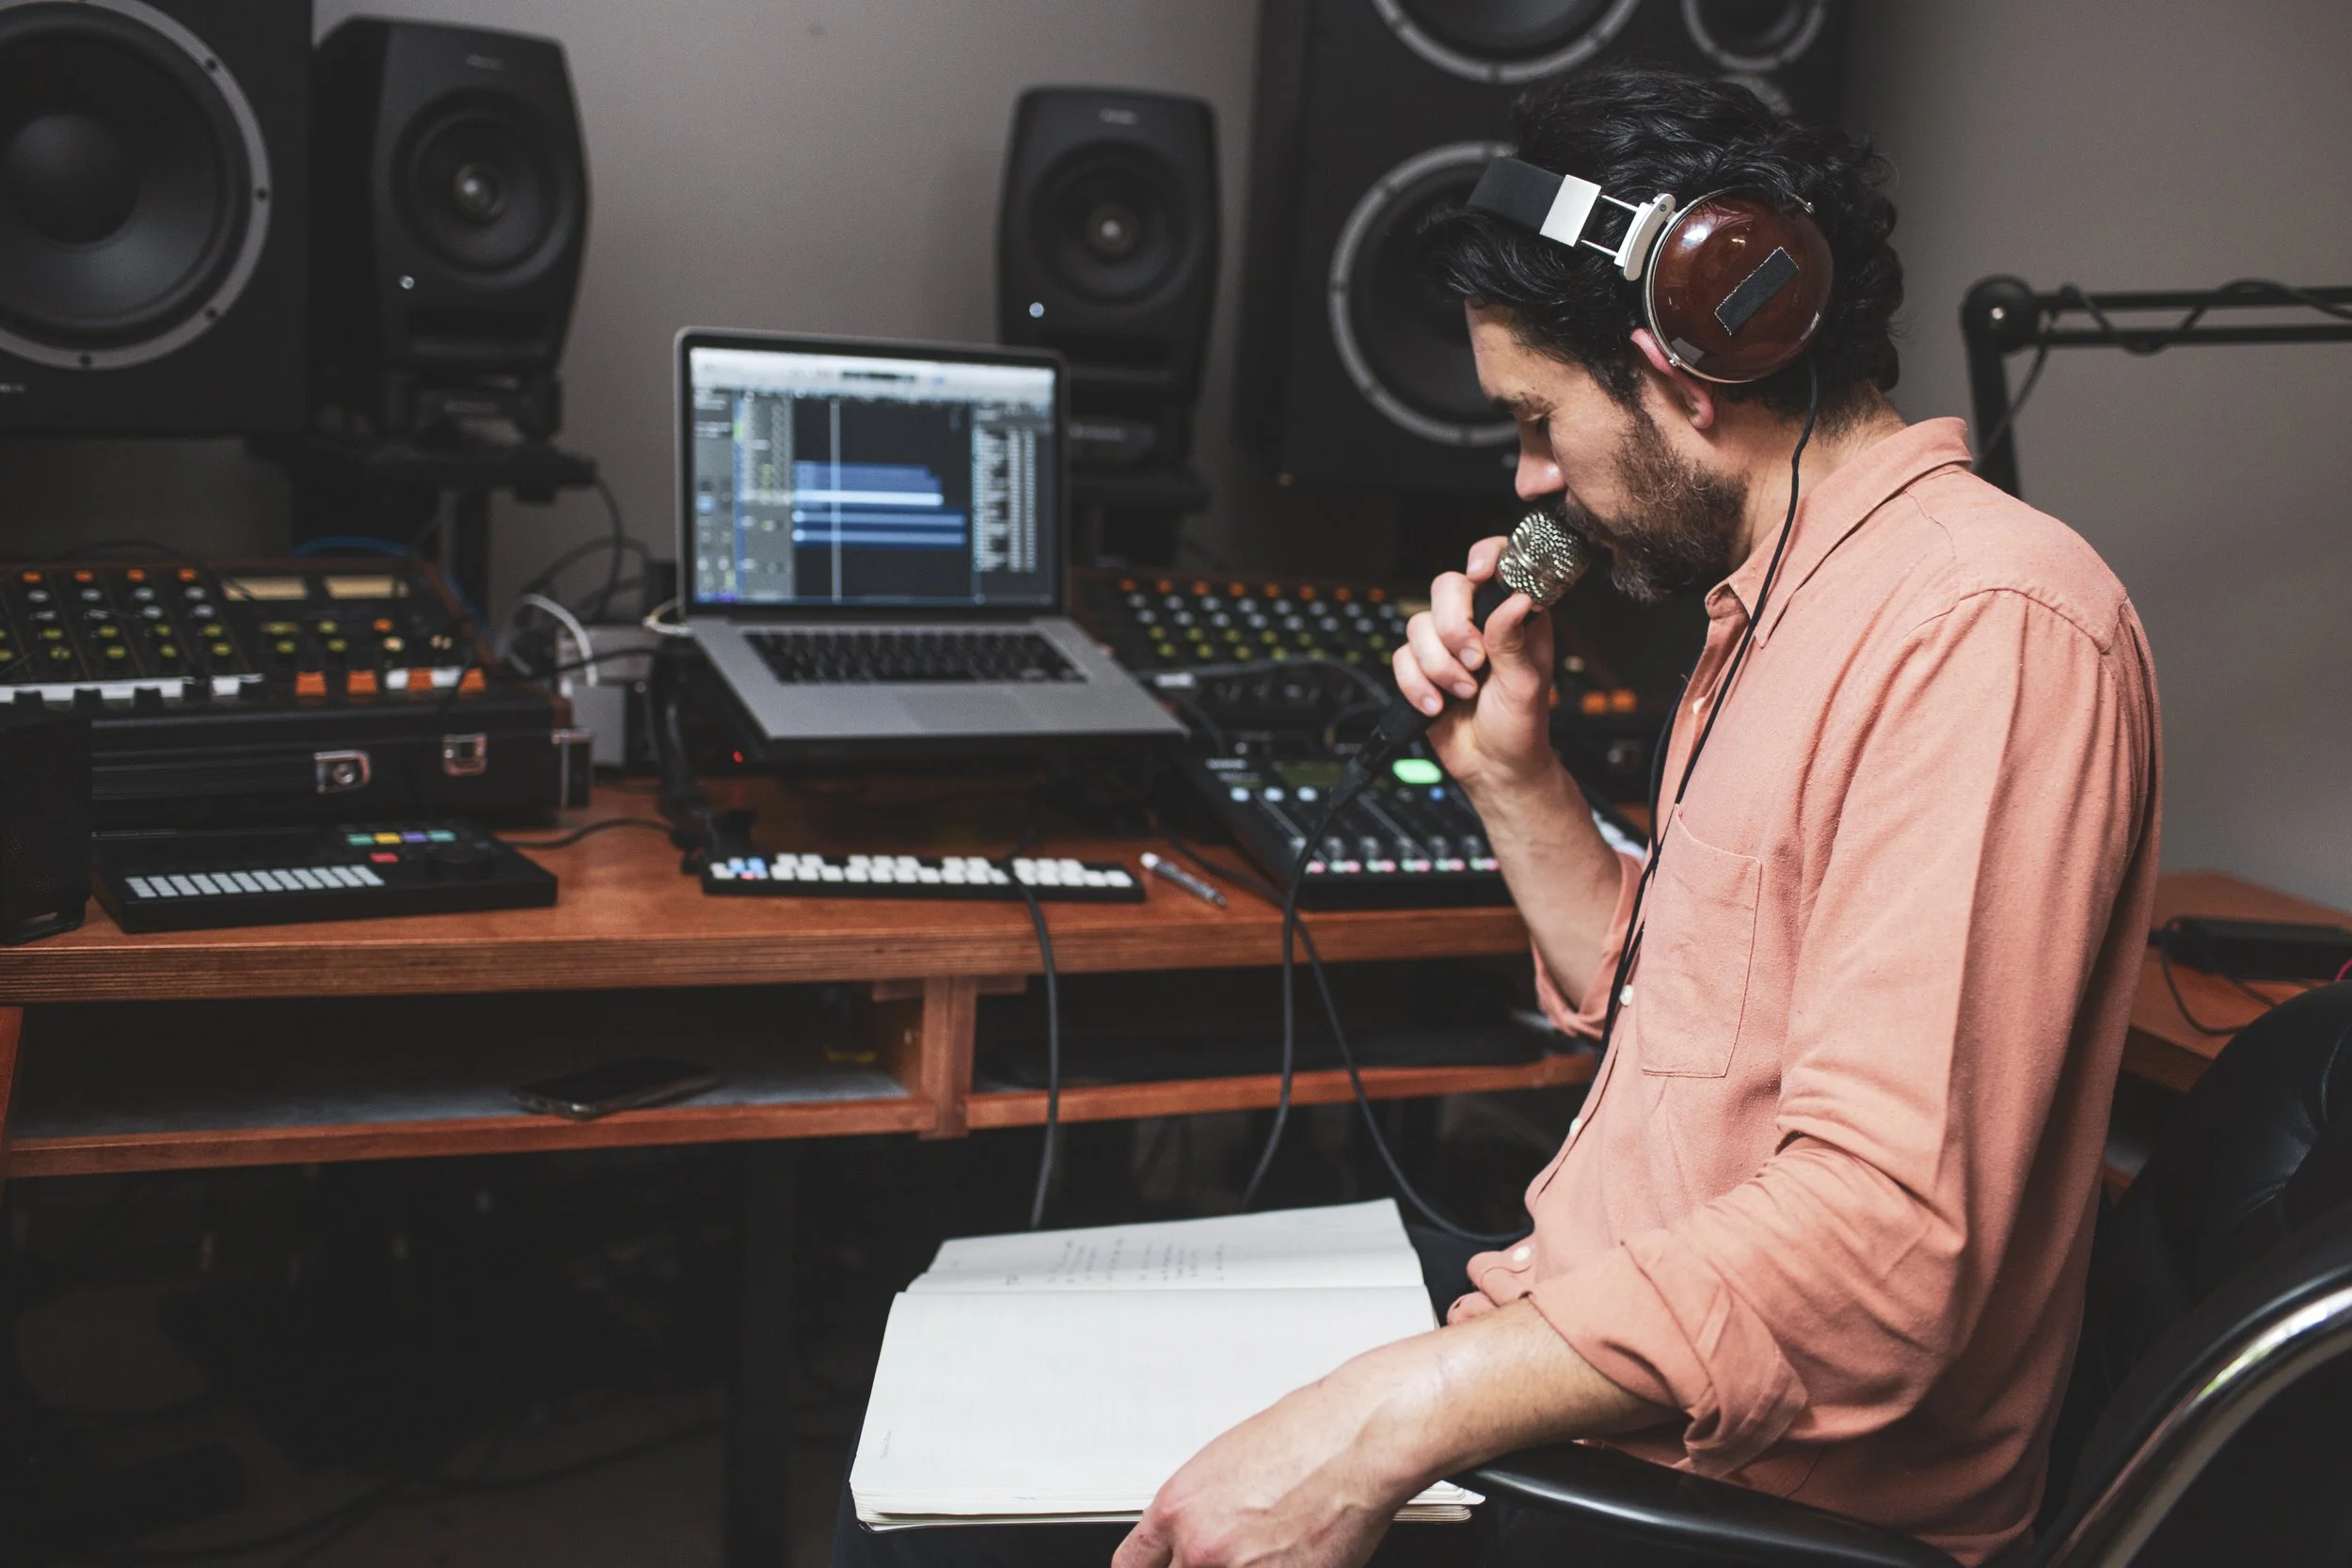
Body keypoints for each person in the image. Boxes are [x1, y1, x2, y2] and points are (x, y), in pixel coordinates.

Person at [836, 66, 2160, 1568]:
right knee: (967, 1348)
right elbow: (1692, 1038)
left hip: (1733, 1509)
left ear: (1689, 368)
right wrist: (1510, 775)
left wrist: (1379, 1415)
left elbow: (1882, 1256)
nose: (1531, 480)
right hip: (1594, 1369)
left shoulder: (1986, 625)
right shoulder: (1781, 605)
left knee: (908, 1535)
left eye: (1537, 419)